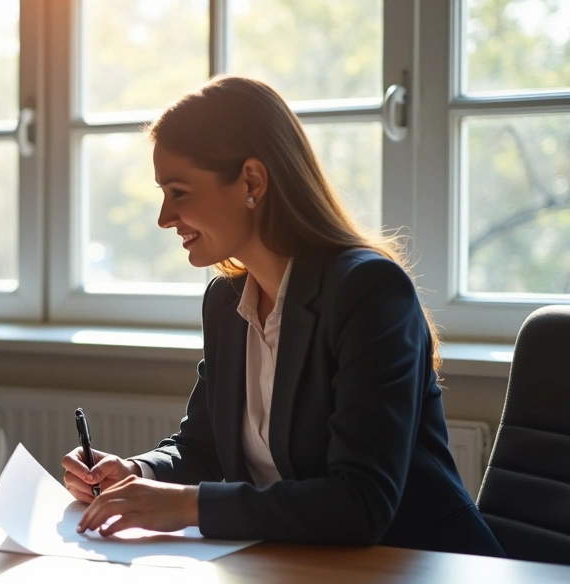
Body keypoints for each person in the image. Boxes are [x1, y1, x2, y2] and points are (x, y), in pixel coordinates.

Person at [61, 75, 504, 557]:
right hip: (311, 576)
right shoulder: (226, 302)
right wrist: (137, 473)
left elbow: (361, 502)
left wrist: (188, 506)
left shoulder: (369, 292)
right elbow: (203, 448)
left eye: (179, 192)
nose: (165, 217)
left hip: (428, 575)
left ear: (252, 181)